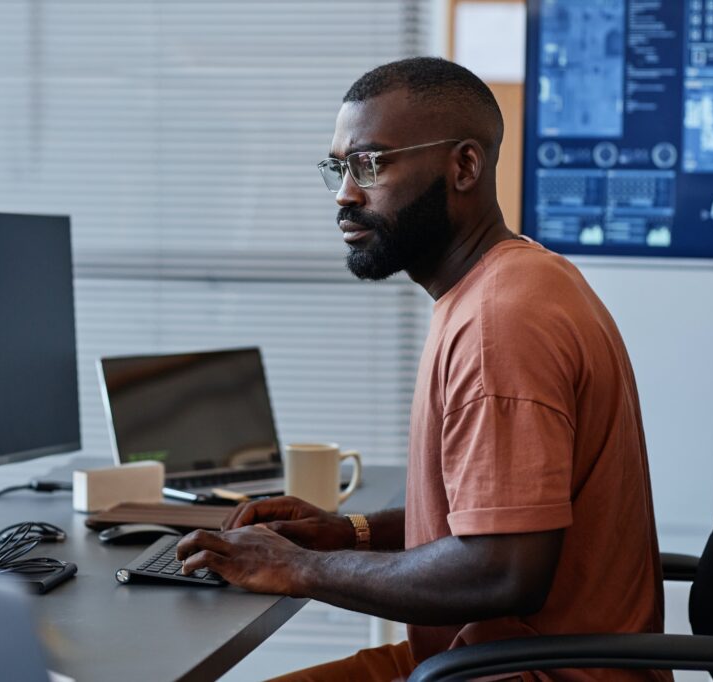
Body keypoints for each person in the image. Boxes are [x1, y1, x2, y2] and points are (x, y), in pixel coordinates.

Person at [176, 57, 669, 682]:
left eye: (371, 163)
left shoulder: (500, 324)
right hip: (467, 660)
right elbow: (491, 516)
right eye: (339, 166)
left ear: (463, 166)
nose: (345, 193)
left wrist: (296, 568)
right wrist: (344, 534)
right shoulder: (502, 286)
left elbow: (501, 570)